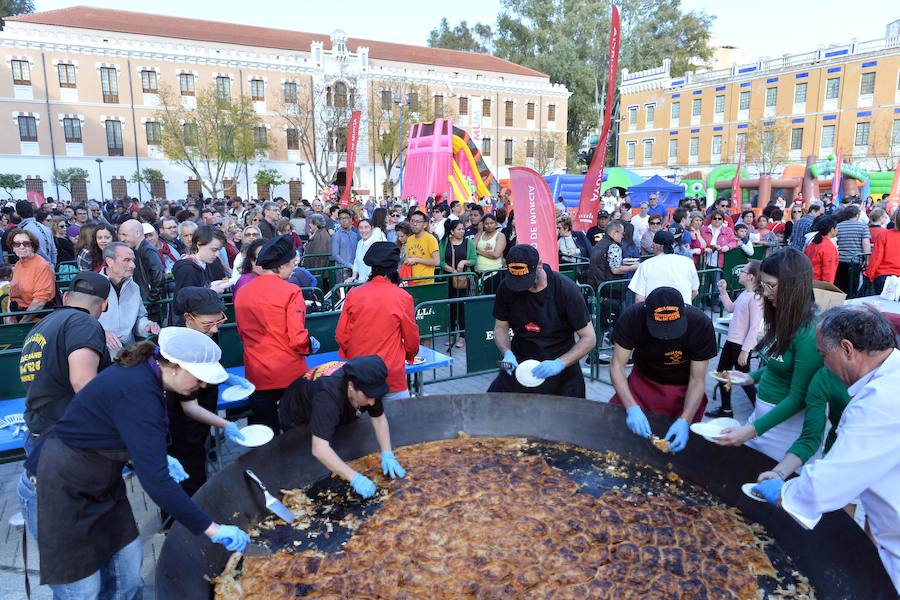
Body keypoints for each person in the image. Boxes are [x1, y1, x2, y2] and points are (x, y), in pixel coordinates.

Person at [26, 328, 249, 597]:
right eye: (201, 378)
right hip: (59, 485)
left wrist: (150, 455)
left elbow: (114, 424)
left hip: (102, 483)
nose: (203, 386)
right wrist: (211, 528)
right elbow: (157, 483)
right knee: (84, 591)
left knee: (127, 576)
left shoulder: (149, 370)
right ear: (175, 367)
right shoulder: (139, 390)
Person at [751, 305, 900, 594]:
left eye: (823, 355)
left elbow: (828, 484)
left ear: (847, 349)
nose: (823, 364)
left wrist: (784, 492)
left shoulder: (879, 401)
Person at [17, 272, 112, 537]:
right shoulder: (84, 323)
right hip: (68, 445)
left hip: (40, 435)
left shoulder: (42, 327)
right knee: (82, 535)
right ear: (103, 304)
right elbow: (83, 382)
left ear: (67, 297)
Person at [716, 249, 825, 467]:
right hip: (760, 419)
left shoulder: (808, 333)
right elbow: (781, 365)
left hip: (785, 431)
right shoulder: (782, 318)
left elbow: (798, 396)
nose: (765, 293)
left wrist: (750, 431)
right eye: (762, 285)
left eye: (770, 286)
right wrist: (749, 378)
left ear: (793, 285)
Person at [279, 356, 407, 499]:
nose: (372, 402)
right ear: (351, 386)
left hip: (332, 407)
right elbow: (319, 449)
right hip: (298, 414)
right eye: (368, 396)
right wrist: (354, 478)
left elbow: (378, 418)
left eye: (375, 396)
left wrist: (387, 453)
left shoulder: (369, 384)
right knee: (305, 461)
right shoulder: (328, 398)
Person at [610, 286, 717, 452]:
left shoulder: (700, 325)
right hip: (642, 383)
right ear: (646, 312)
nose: (666, 335)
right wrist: (631, 407)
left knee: (679, 451)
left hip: (683, 390)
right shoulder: (632, 317)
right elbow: (617, 366)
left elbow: (697, 380)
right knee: (618, 434)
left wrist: (685, 420)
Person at [166, 288, 248, 498]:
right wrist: (225, 424)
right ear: (188, 317)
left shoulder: (205, 333)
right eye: (208, 325)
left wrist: (225, 377)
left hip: (202, 418)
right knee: (190, 478)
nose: (215, 330)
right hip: (184, 427)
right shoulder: (180, 347)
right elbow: (189, 407)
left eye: (218, 322)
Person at [488, 245, 595, 397]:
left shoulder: (566, 290)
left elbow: (589, 338)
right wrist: (507, 353)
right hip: (520, 366)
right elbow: (500, 328)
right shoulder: (506, 288)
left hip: (561, 371)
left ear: (539, 264)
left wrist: (559, 363)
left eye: (526, 280)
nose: (521, 287)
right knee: (495, 407)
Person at [235, 235, 316, 432]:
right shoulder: (290, 291)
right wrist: (310, 345)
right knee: (296, 433)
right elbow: (298, 339)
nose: (294, 268)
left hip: (257, 371)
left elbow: (243, 332)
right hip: (289, 371)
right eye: (291, 264)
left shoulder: (243, 292)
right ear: (281, 266)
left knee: (265, 433)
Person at [336, 243, 419, 400]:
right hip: (391, 372)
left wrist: (352, 356)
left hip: (359, 373)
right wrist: (409, 355)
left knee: (359, 424)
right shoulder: (402, 297)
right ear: (394, 269)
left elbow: (341, 335)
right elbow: (411, 339)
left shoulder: (354, 294)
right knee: (399, 421)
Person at [707, 260, 763, 418]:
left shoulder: (756, 298)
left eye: (743, 271)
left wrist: (745, 351)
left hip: (740, 345)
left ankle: (760, 412)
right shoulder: (745, 294)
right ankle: (726, 410)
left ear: (751, 277)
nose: (740, 273)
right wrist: (723, 291)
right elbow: (731, 308)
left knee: (743, 380)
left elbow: (754, 327)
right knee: (722, 374)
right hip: (732, 341)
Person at [98, 242, 160, 356]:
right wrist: (101, 334)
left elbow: (140, 318)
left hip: (129, 354)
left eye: (133, 260)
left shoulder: (134, 287)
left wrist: (147, 326)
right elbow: (82, 321)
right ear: (109, 261)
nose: (133, 265)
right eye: (126, 260)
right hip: (100, 352)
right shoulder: (92, 286)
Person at [628, 230, 699, 304]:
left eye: (653, 244)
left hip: (655, 312)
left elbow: (639, 298)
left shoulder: (646, 265)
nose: (652, 246)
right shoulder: (688, 262)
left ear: (659, 246)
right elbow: (695, 292)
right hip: (682, 311)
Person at [440, 220, 476, 348]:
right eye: (459, 229)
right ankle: (451, 335)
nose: (462, 231)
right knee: (450, 308)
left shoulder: (468, 242)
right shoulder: (445, 243)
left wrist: (464, 262)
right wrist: (452, 270)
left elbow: (473, 260)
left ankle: (462, 337)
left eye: (463, 229)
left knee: (461, 308)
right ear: (452, 231)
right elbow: (441, 261)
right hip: (448, 279)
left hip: (463, 280)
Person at [7, 228, 55, 323]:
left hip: (37, 319)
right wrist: (9, 319)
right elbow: (11, 296)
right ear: (12, 247)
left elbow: (40, 301)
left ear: (33, 246)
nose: (21, 247)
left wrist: (22, 324)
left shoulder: (42, 265)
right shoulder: (17, 265)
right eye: (16, 244)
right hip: (17, 314)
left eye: (26, 243)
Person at [172, 225, 232, 301]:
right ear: (199, 244)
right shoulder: (186, 268)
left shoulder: (208, 263)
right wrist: (211, 291)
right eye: (213, 249)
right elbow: (184, 301)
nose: (217, 254)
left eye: (219, 250)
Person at [118, 219, 166, 312]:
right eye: (121, 235)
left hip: (150, 306)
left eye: (125, 235)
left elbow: (158, 273)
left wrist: (152, 297)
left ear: (137, 233)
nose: (122, 239)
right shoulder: (139, 249)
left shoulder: (147, 250)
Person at [834, 205, 871, 294]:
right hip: (854, 260)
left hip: (840, 260)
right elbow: (866, 244)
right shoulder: (863, 227)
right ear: (857, 215)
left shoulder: (838, 226)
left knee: (840, 286)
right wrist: (867, 259)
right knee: (852, 288)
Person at [865, 208, 900, 294]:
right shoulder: (884, 233)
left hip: (885, 276)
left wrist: (869, 275)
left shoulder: (884, 235)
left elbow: (877, 257)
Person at [473, 213, 507, 293]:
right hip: (479, 272)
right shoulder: (480, 234)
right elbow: (472, 248)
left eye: (491, 223)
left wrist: (478, 252)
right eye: (486, 224)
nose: (489, 225)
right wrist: (480, 231)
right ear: (483, 225)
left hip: (494, 272)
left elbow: (496, 254)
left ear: (495, 223)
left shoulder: (500, 235)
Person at [344, 218, 386, 284]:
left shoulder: (376, 243)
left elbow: (376, 265)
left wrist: (368, 279)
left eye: (366, 227)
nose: (363, 230)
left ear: (371, 228)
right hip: (360, 282)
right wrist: (353, 276)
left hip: (372, 283)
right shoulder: (360, 243)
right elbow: (356, 261)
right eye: (361, 228)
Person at [16, 200, 57, 266]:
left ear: (17, 213)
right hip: (48, 267)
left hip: (34, 269)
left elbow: (25, 252)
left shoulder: (24, 230)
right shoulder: (45, 228)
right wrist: (52, 266)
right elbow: (53, 251)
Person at [404, 210, 440, 285]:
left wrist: (416, 260)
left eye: (418, 222)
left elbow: (436, 262)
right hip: (411, 281)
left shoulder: (430, 239)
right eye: (412, 221)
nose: (414, 224)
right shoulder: (410, 239)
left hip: (426, 282)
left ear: (425, 224)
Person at [804, 215, 838, 284]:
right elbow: (828, 273)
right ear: (832, 230)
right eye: (837, 228)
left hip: (809, 282)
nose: (838, 230)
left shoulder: (814, 243)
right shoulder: (828, 247)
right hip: (819, 286)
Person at [331, 208, 361, 280]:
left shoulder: (355, 234)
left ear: (351, 219)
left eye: (346, 218)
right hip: (342, 270)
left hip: (355, 268)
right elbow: (335, 255)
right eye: (341, 218)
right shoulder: (336, 235)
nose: (344, 220)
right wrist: (348, 265)